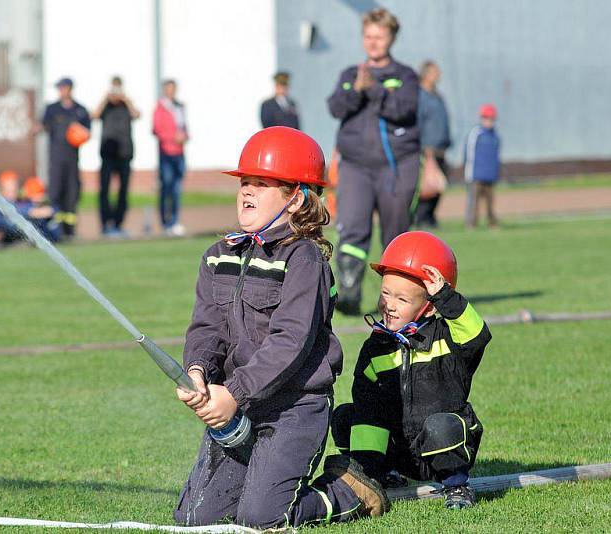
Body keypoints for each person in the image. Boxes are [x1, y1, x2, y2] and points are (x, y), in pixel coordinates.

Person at [174, 127, 389, 529]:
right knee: (195, 520)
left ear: (296, 198)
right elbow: (207, 327)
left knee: (261, 518)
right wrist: (199, 372)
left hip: (295, 408)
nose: (246, 191)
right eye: (244, 182)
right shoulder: (218, 256)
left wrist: (233, 392)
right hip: (243, 409)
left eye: (261, 183)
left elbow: (289, 341)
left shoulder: (304, 260)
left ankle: (347, 491)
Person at [331, 231, 491, 510]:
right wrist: (368, 465)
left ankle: (456, 485)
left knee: (441, 426)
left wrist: (446, 297)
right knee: (347, 416)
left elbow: (477, 334)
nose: (389, 305)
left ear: (429, 307)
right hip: (400, 451)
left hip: (441, 448)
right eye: (385, 294)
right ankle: (377, 475)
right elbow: (369, 409)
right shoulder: (376, 347)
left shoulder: (448, 338)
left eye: (402, 300)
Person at [327, 7, 420, 316]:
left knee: (396, 235)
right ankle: (350, 293)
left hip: (396, 166)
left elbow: (404, 110)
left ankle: (398, 302)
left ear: (391, 37)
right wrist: (356, 89)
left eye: (379, 36)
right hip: (355, 166)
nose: (373, 42)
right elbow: (336, 108)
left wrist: (375, 90)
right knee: (352, 228)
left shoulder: (404, 75)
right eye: (368, 36)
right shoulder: (350, 74)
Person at [39, 77, 91, 238]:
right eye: (59, 88)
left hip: (72, 159)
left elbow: (88, 132)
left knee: (72, 192)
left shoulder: (80, 110)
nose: (62, 90)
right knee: (55, 191)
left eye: (64, 87)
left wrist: (80, 132)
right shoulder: (52, 109)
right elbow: (43, 126)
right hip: (56, 158)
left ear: (70, 88)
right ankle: (55, 228)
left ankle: (70, 230)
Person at [92, 76, 140, 237]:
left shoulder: (126, 105)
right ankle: (106, 224)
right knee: (104, 190)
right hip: (107, 155)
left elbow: (137, 114)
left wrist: (127, 99)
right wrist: (105, 99)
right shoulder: (106, 106)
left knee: (123, 191)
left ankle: (118, 224)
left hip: (125, 153)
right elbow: (94, 115)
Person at [414, 61, 451, 228]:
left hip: (440, 148)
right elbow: (418, 122)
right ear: (426, 74)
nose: (439, 75)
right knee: (427, 186)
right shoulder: (420, 96)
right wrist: (424, 147)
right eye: (435, 72)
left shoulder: (437, 95)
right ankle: (422, 218)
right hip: (427, 150)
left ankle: (430, 217)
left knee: (439, 185)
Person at [152, 79, 188, 236]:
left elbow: (184, 127)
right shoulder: (160, 108)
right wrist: (173, 138)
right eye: (168, 89)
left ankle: (174, 221)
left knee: (177, 189)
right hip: (166, 153)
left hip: (179, 153)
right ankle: (165, 222)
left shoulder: (179, 107)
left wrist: (185, 136)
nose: (171, 92)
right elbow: (156, 129)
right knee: (166, 187)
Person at [464, 104, 501, 229]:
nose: (489, 121)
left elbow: (496, 157)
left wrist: (496, 172)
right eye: (486, 118)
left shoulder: (495, 135)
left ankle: (492, 223)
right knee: (474, 201)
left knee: (490, 202)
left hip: (490, 175)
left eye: (491, 119)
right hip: (476, 174)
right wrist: (469, 172)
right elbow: (469, 153)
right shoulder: (476, 133)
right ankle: (471, 224)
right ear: (482, 118)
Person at [21, 176, 61, 242]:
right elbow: (24, 210)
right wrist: (33, 212)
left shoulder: (50, 208)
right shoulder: (25, 205)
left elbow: (56, 234)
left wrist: (50, 212)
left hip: (49, 237)